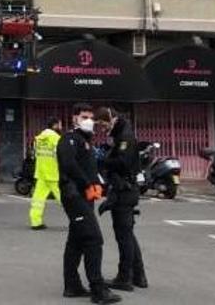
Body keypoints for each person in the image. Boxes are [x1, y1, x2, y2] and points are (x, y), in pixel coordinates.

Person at [57, 103, 121, 304]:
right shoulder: (69, 139)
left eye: (91, 117)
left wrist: (99, 184)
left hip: (85, 197)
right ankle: (98, 289)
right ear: (75, 118)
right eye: (84, 116)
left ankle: (72, 285)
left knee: (76, 241)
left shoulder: (86, 141)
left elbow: (89, 167)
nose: (88, 120)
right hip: (74, 196)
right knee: (94, 239)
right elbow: (68, 165)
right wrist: (87, 184)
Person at [95, 107, 148, 291]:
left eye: (102, 124)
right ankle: (139, 276)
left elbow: (123, 163)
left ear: (111, 118)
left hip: (125, 190)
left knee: (123, 236)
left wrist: (102, 160)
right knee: (128, 235)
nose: (101, 128)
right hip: (124, 189)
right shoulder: (120, 134)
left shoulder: (125, 136)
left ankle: (124, 278)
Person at [29, 117, 62, 230]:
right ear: (55, 125)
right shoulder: (56, 137)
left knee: (38, 199)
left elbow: (35, 154)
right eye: (59, 125)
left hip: (41, 173)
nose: (61, 127)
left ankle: (35, 222)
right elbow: (61, 154)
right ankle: (77, 220)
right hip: (54, 173)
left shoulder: (39, 138)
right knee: (66, 198)